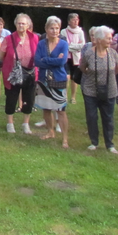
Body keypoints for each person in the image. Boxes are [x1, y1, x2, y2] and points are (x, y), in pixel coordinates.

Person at [79, 26, 118, 153]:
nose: (111, 40)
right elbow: (82, 67)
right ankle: (94, 142)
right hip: (91, 90)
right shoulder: (89, 53)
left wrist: (109, 77)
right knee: (92, 116)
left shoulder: (113, 53)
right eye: (108, 38)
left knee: (108, 118)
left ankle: (110, 144)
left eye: (111, 38)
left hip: (110, 90)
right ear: (99, 39)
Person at [0, 13, 39, 135]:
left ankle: (25, 124)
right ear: (15, 24)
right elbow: (1, 55)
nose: (21, 25)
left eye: (23, 23)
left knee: (29, 98)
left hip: (30, 73)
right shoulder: (8, 39)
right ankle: (10, 123)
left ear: (28, 25)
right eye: (19, 23)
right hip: (13, 73)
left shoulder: (34, 38)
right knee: (11, 98)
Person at [35, 16, 70, 148]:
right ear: (46, 29)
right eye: (52, 28)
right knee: (46, 108)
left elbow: (62, 62)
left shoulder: (63, 44)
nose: (54, 31)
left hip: (58, 79)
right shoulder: (41, 43)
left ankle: (65, 138)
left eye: (57, 28)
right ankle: (50, 131)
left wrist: (46, 60)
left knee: (60, 110)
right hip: (44, 79)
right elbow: (37, 61)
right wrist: (52, 60)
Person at [60, 13, 85, 105]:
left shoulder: (80, 32)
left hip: (76, 57)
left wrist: (72, 46)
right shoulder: (63, 32)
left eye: (77, 20)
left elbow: (82, 45)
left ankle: (73, 97)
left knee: (74, 78)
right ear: (69, 21)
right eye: (74, 20)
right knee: (66, 76)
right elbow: (64, 45)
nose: (76, 21)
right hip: (66, 57)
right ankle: (65, 96)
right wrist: (75, 46)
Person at [0, 17, 11, 97]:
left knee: (6, 75)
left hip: (5, 57)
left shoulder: (7, 33)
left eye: (1, 24)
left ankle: (9, 90)